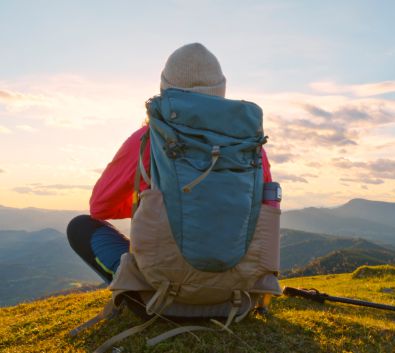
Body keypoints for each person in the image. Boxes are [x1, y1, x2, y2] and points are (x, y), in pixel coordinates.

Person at [67, 43, 275, 284]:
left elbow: (100, 207)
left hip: (163, 287)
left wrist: (156, 204)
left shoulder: (145, 140)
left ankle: (138, 294)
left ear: (165, 89)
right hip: (237, 289)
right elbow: (264, 211)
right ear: (221, 91)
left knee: (80, 227)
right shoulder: (251, 147)